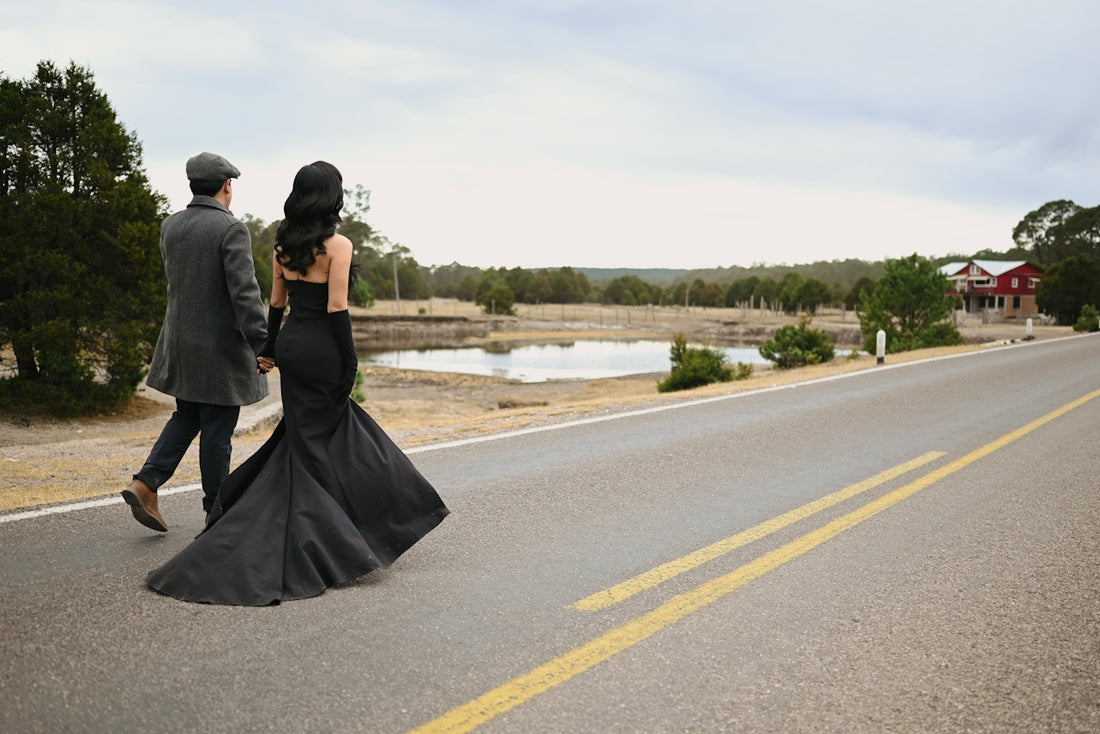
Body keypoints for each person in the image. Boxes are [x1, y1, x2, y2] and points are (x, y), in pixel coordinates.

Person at [146, 161, 449, 605]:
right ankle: (334, 536)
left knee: (304, 437)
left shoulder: (282, 247)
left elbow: (275, 303)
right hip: (324, 349)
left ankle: (331, 527)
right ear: (332, 197)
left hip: (292, 347)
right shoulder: (339, 245)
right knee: (331, 438)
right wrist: (351, 362)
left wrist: (269, 349)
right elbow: (338, 307)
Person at [122, 152, 269, 533]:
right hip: (218, 352)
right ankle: (217, 511)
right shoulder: (231, 229)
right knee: (218, 429)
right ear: (226, 185)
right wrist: (262, 344)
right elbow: (245, 294)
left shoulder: (170, 225)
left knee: (187, 416)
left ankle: (145, 484)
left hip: (180, 347)